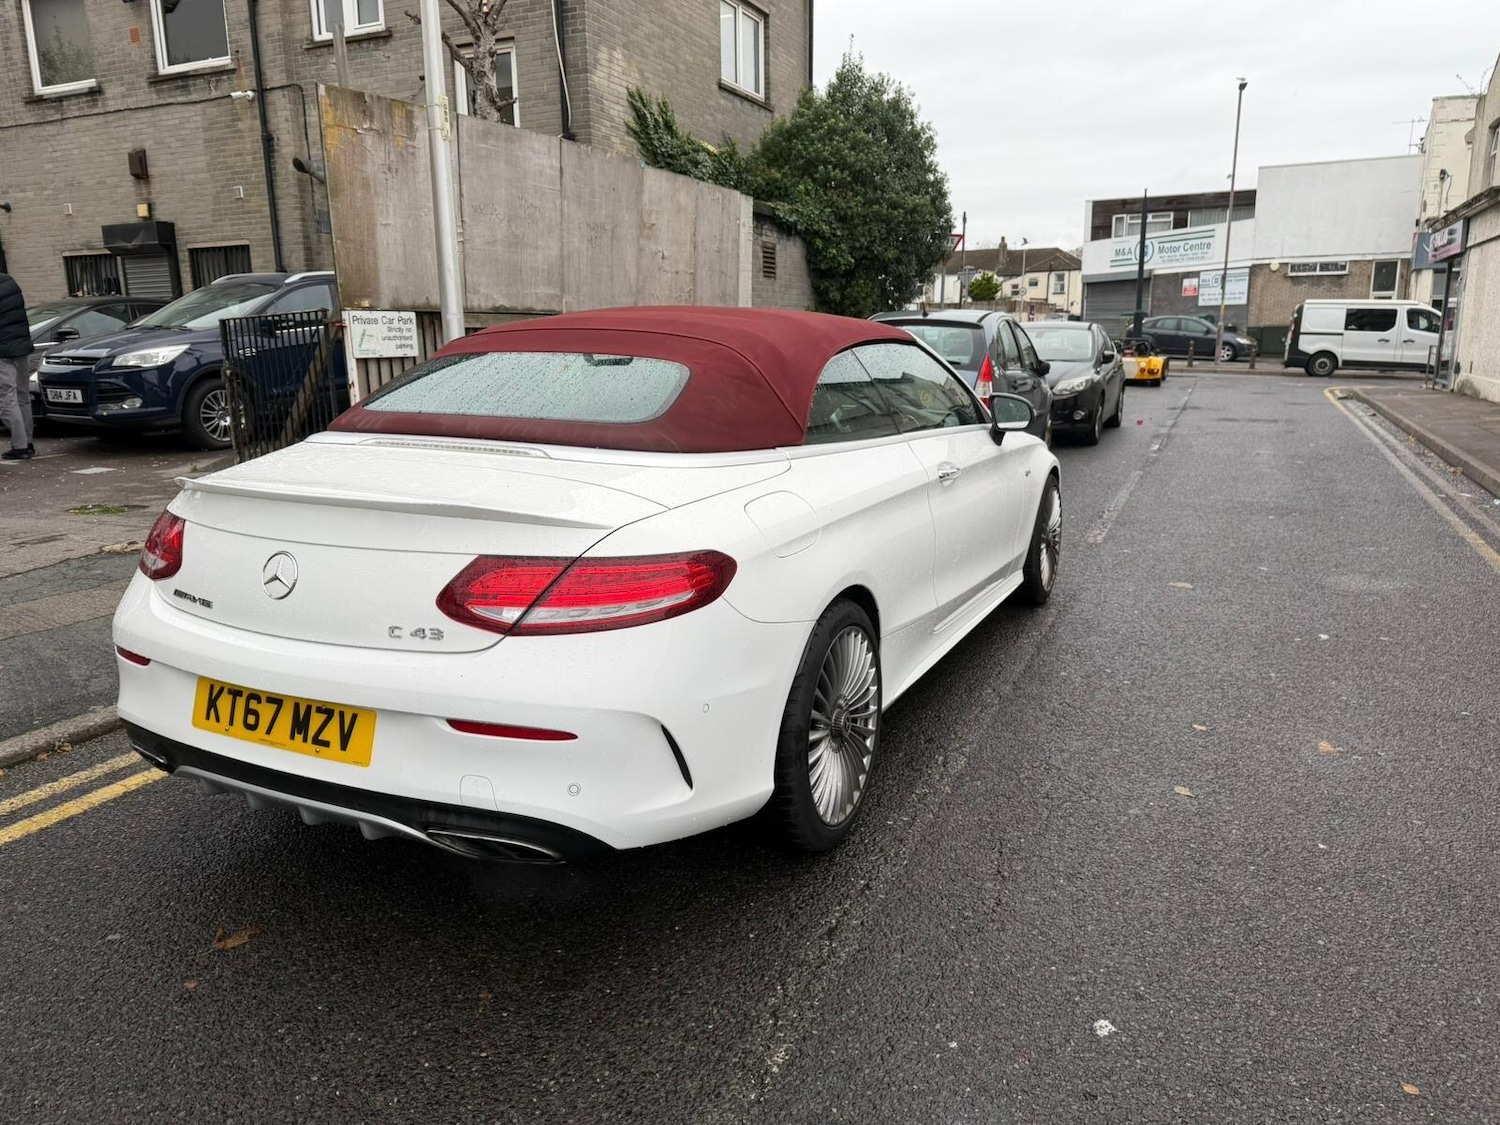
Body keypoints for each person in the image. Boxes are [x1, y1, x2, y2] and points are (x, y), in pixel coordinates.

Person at [0, 270, 36, 461]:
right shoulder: (10, 282)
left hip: (3, 351)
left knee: (7, 398)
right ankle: (28, 442)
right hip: (21, 347)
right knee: (22, 396)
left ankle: (19, 446)